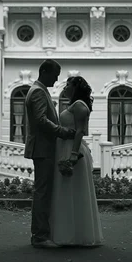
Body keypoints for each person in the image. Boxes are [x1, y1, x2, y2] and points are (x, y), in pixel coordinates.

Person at [24, 59, 76, 248]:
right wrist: (62, 131)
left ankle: (41, 234)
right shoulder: (38, 91)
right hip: (43, 148)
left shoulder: (39, 89)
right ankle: (40, 237)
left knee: (43, 191)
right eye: (54, 75)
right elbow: (40, 120)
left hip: (44, 147)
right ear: (44, 71)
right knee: (43, 193)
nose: (56, 80)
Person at [49, 75, 104, 247]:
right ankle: (66, 233)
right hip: (64, 146)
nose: (64, 88)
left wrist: (73, 154)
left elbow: (80, 131)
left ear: (75, 87)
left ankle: (76, 235)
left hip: (72, 149)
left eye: (68, 85)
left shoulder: (80, 106)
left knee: (73, 191)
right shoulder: (73, 105)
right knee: (65, 191)